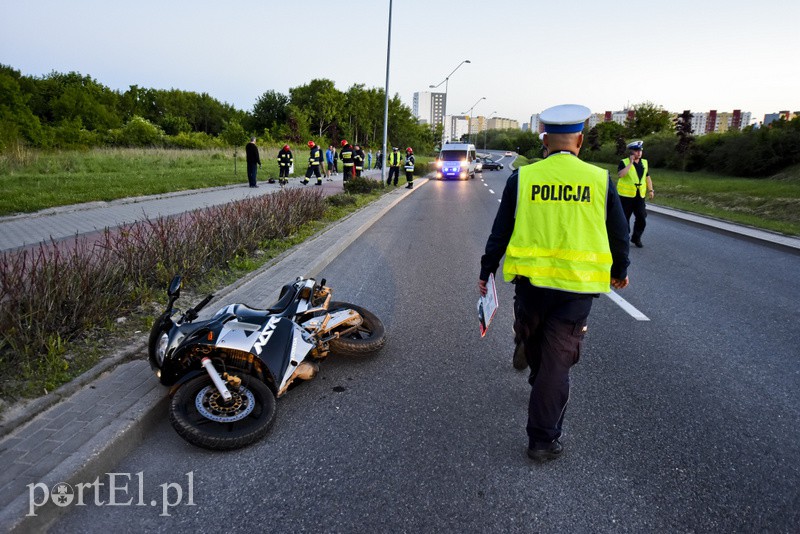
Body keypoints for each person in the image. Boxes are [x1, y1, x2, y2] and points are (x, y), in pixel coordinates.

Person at [478, 104, 630, 462]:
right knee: (557, 362)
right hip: (575, 290)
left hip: (531, 287)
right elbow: (619, 233)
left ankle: (533, 366)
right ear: (580, 140)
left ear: (544, 141)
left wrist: (486, 270)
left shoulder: (523, 178)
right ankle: (543, 442)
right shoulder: (599, 179)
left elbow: (500, 231)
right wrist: (620, 270)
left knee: (536, 349)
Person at [617, 140, 654, 247]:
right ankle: (624, 238)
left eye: (640, 150)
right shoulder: (624, 162)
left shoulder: (644, 162)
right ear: (631, 152)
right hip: (626, 196)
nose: (639, 153)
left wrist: (651, 190)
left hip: (639, 196)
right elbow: (620, 175)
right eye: (636, 151)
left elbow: (647, 177)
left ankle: (636, 238)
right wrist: (630, 163)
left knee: (642, 218)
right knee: (624, 219)